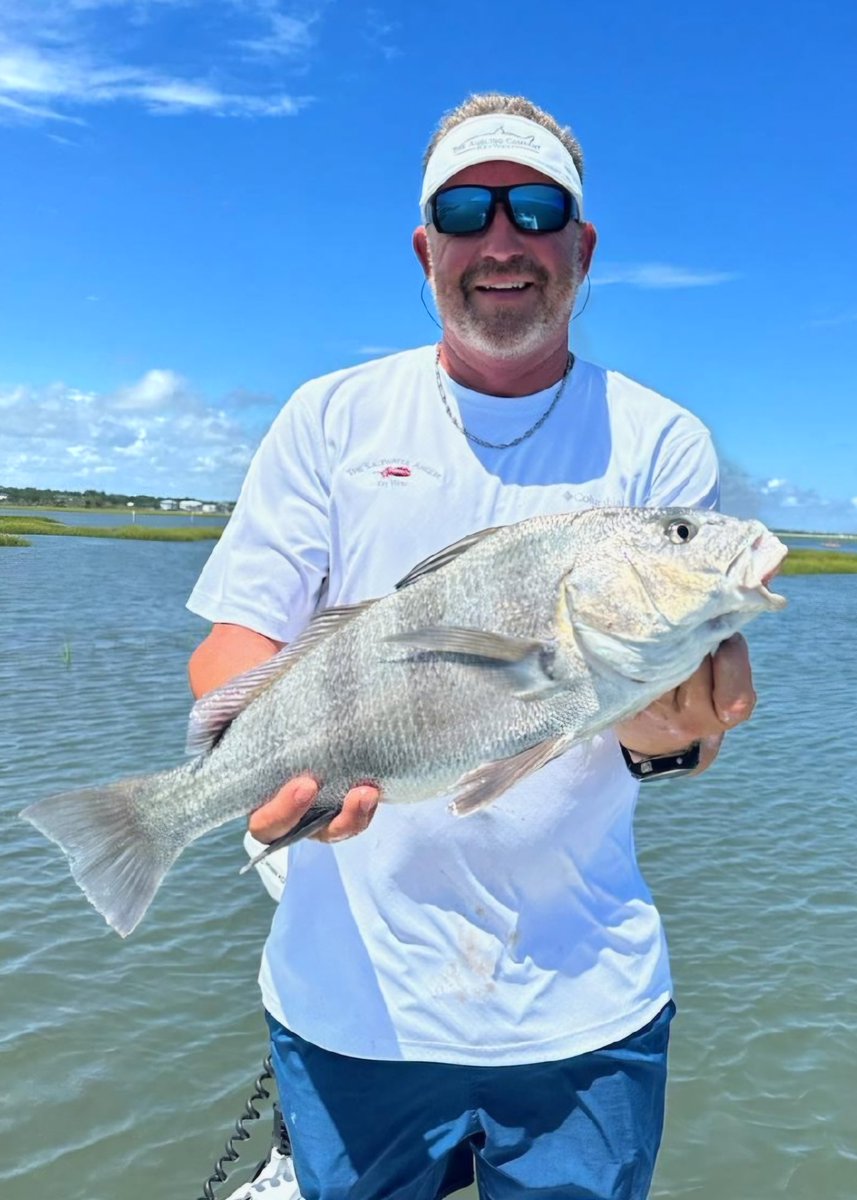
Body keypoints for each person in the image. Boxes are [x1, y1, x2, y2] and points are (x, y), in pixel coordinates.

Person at [187, 93, 755, 1200]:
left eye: (536, 209)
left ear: (580, 246)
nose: (502, 240)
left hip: (585, 1009)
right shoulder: (329, 416)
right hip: (347, 1004)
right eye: (466, 210)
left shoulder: (659, 440)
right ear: (426, 244)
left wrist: (676, 731)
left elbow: (678, 740)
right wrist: (251, 773)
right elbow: (237, 637)